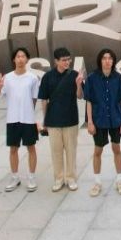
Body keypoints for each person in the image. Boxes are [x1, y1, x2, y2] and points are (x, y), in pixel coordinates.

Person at [37, 46, 84, 192]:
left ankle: (71, 178)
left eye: (68, 59)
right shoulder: (47, 77)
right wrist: (45, 120)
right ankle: (58, 178)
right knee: (56, 151)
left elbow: (80, 96)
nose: (67, 62)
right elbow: (44, 100)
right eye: (63, 60)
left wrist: (78, 84)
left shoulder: (74, 75)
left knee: (71, 150)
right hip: (53, 120)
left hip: (71, 119)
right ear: (56, 61)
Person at [84, 48, 121, 196]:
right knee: (98, 151)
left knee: (117, 149)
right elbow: (89, 101)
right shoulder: (92, 78)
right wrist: (90, 122)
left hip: (115, 119)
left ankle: (120, 180)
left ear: (113, 61)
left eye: (110, 58)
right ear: (100, 60)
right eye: (104, 58)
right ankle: (97, 182)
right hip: (99, 119)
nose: (107, 61)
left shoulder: (118, 78)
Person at [1, 47, 41, 192]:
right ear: (14, 59)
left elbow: (34, 98)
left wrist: (30, 112)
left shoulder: (32, 78)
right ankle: (15, 177)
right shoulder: (7, 78)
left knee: (31, 148)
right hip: (12, 119)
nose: (20, 59)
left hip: (28, 119)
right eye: (18, 56)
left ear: (27, 59)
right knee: (13, 149)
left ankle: (31, 177)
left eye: (23, 56)